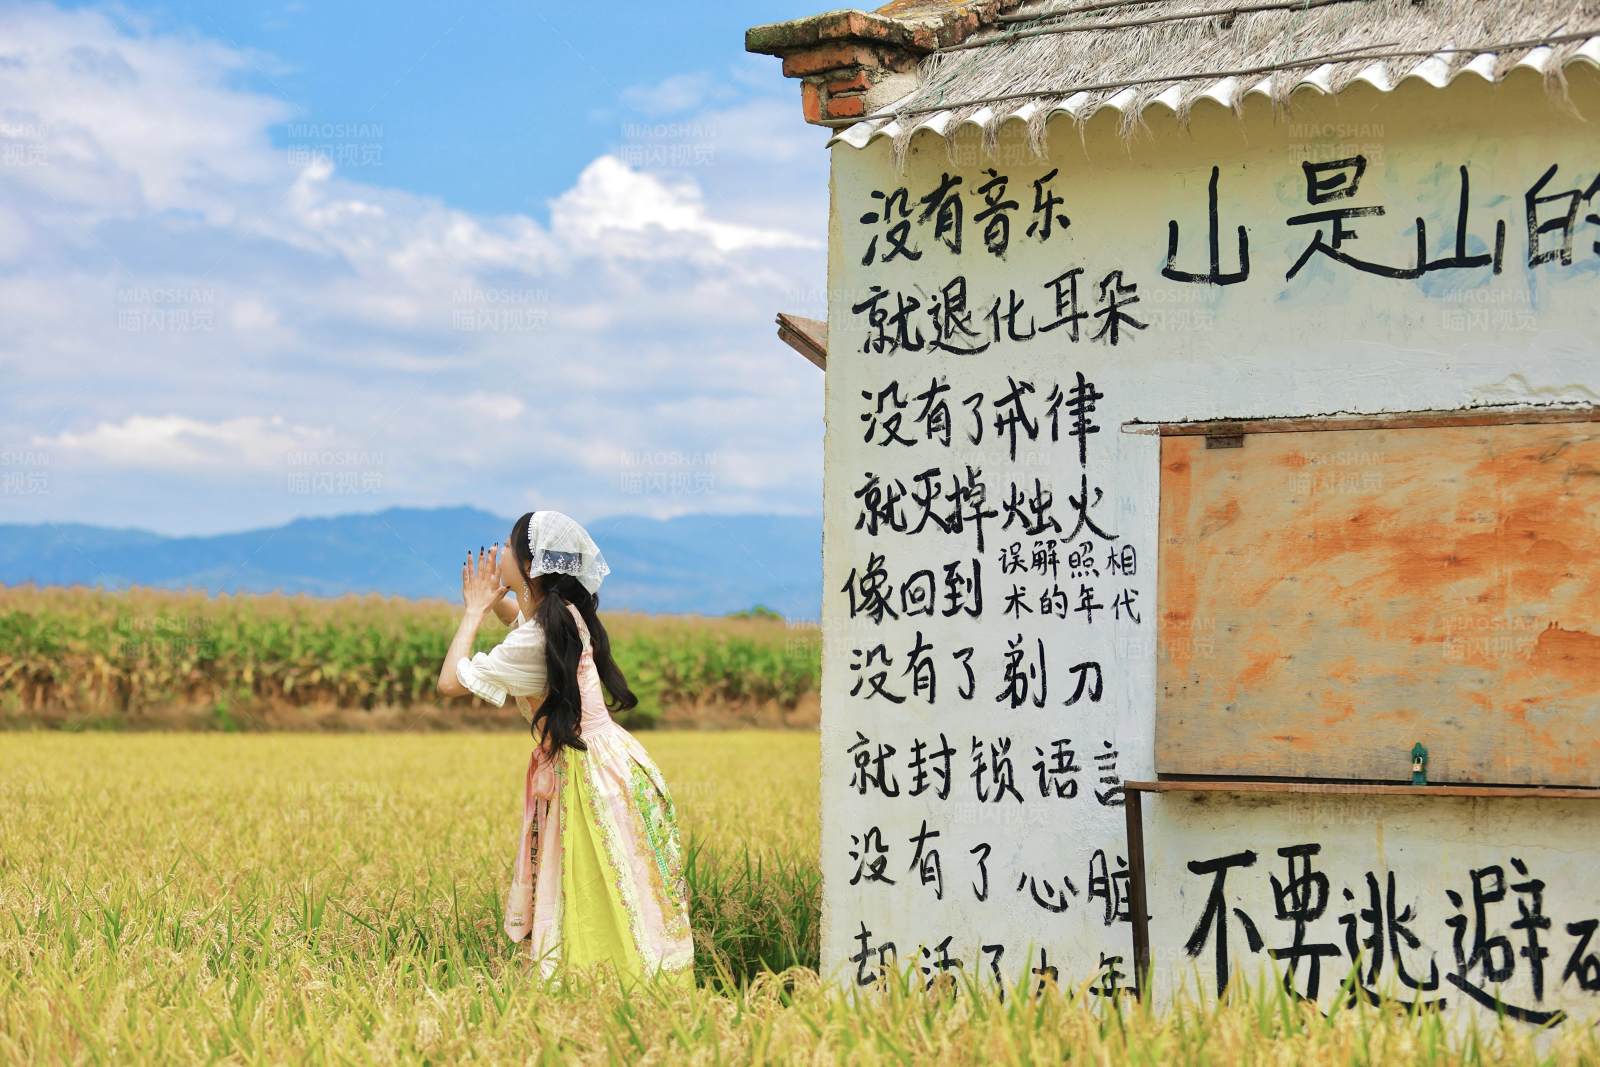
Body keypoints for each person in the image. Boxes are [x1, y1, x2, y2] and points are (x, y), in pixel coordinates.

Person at [435, 509, 694, 989]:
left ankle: (592, 978)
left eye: (509, 546)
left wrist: (472, 611)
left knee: (586, 875)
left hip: (584, 774)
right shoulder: (567, 614)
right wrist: (499, 600)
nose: (500, 551)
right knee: (623, 879)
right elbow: (525, 622)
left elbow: (450, 682)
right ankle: (636, 976)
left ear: (530, 565)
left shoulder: (537, 637)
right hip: (612, 761)